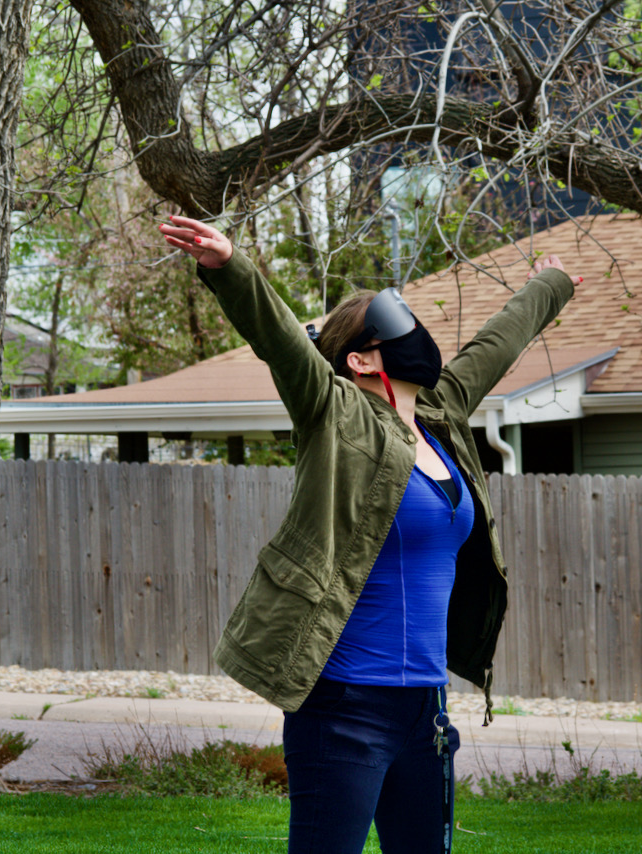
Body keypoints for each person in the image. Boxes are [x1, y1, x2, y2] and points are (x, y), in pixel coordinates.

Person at [158, 214, 578, 854]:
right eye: (396, 329)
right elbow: (280, 341)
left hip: (424, 711)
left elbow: (497, 344)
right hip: (343, 704)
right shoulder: (334, 412)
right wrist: (230, 267)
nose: (417, 335)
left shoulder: (443, 418)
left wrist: (549, 286)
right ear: (359, 359)